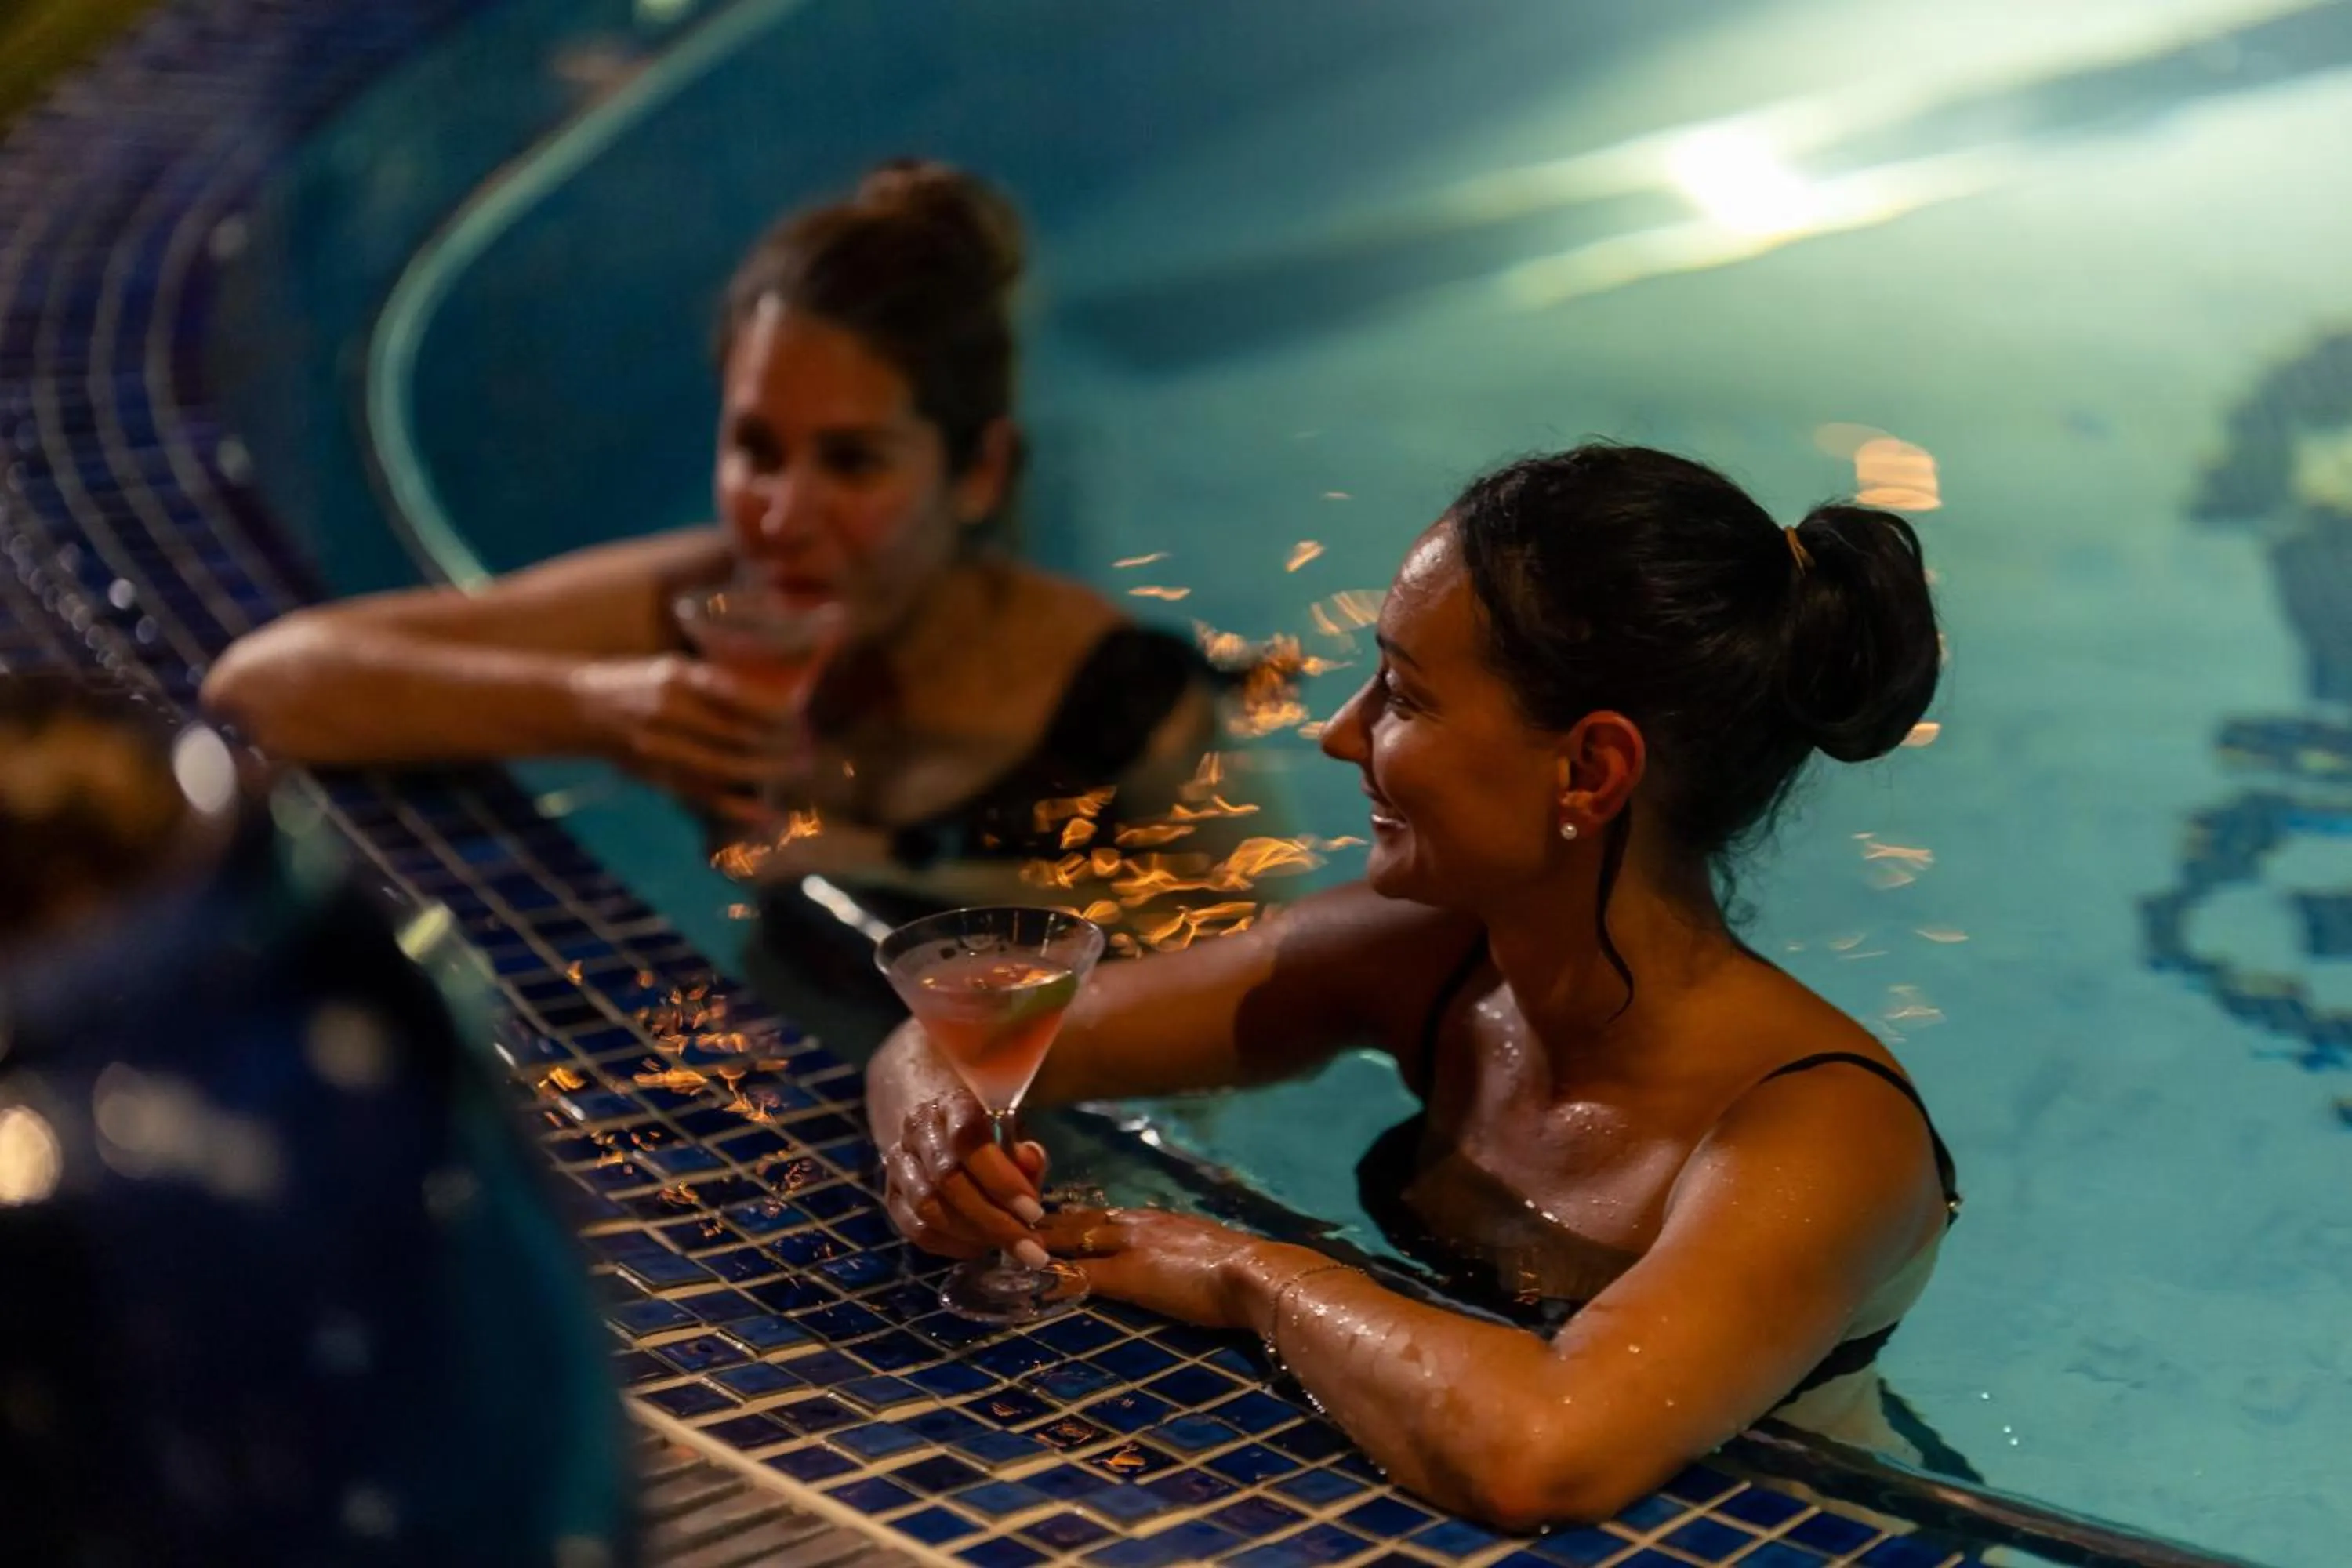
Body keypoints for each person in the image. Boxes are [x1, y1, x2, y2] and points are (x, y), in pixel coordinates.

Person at [869, 443, 1961, 1528]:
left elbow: (1541, 1454)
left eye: (1405, 694)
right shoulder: (1417, 954)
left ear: (1588, 771)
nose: (1342, 732)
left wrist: (1244, 1274)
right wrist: (939, 1143)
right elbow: (949, 1037)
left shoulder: (1822, 1131)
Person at [200, 159, 1225, 907]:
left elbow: (1230, 934)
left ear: (980, 471)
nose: (781, 516)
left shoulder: (1121, 696)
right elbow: (265, 684)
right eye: (756, 450)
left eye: (853, 462)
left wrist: (875, 868)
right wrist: (596, 706)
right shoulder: (704, 608)